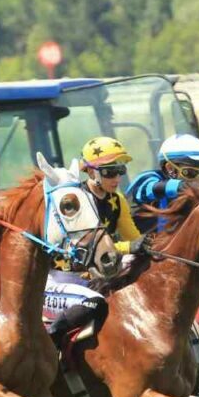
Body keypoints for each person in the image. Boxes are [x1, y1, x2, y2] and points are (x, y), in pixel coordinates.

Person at [43, 137, 144, 340]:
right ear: (91, 172)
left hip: (99, 275)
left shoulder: (118, 200)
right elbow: (85, 251)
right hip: (65, 278)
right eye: (109, 172)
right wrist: (127, 247)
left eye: (120, 171)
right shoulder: (73, 200)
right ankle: (52, 346)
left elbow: (134, 238)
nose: (117, 179)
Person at [125, 134, 199, 225]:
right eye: (190, 173)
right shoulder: (147, 179)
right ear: (170, 168)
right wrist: (181, 186)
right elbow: (148, 188)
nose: (197, 180)